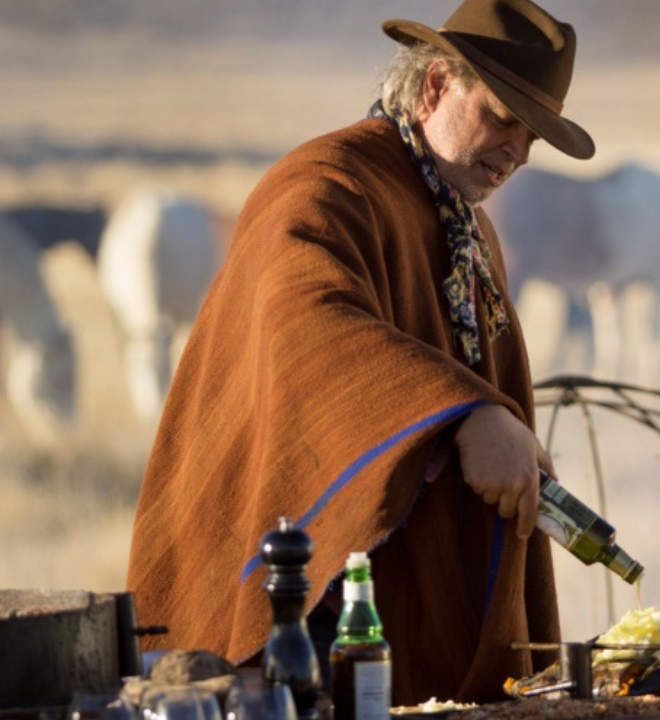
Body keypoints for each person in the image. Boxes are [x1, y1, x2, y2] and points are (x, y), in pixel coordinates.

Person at [125, 0, 594, 704]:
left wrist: (500, 436)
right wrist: (467, 415)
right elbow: (305, 322)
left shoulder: (467, 228)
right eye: (503, 118)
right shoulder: (324, 187)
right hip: (297, 596)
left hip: (381, 598)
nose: (519, 153)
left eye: (534, 137)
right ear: (436, 85)